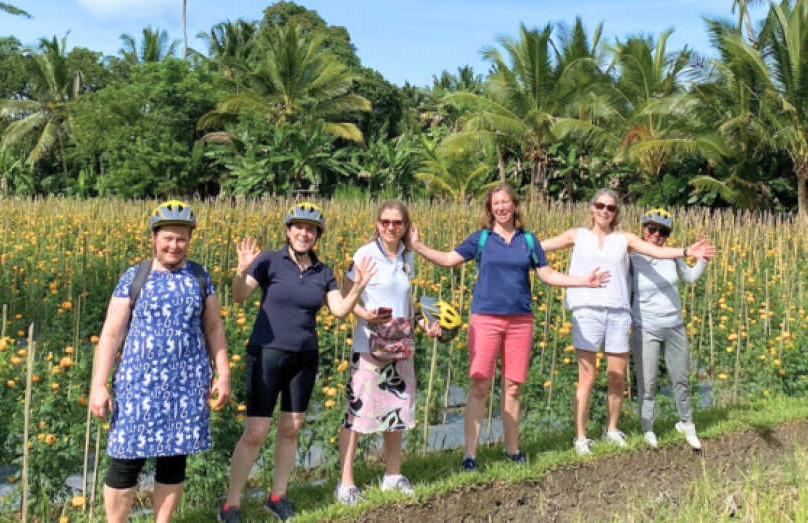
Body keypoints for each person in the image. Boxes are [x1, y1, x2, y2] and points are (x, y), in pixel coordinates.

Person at [410, 184, 610, 472]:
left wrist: (584, 281)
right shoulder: (481, 239)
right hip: (485, 320)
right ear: (490, 208)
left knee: (513, 387)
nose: (501, 207)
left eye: (505, 202)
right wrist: (417, 247)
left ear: (515, 206)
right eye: (495, 203)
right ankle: (470, 456)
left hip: (520, 322)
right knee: (480, 385)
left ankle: (512, 451)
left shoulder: (529, 240)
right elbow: (449, 259)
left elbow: (548, 275)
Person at [219, 203, 376, 523]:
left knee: (291, 429)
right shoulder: (268, 261)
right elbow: (238, 296)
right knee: (256, 431)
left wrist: (357, 288)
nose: (304, 233)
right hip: (266, 353)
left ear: (317, 236)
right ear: (288, 231)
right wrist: (241, 269)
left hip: (304, 356)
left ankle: (277, 497)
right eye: (298, 227)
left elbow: (339, 310)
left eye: (311, 229)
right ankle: (230, 504)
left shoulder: (323, 272)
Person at [541, 190, 715, 455]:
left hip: (621, 314)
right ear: (592, 208)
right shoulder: (580, 236)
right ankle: (581, 437)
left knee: (618, 377)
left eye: (610, 207)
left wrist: (689, 252)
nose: (604, 211)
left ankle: (612, 429)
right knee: (587, 377)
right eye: (600, 205)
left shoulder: (625, 240)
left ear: (616, 212)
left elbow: (659, 255)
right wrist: (510, 244)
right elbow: (540, 245)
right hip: (590, 311)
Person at [89, 200, 231, 523]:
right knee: (125, 460)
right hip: (138, 387)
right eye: (168, 238)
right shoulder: (134, 276)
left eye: (181, 239)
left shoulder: (200, 277)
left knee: (173, 459)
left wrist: (223, 374)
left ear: (189, 241)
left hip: (186, 385)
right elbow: (111, 333)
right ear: (154, 238)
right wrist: (99, 384)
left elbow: (214, 328)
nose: (174, 245)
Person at [335, 200, 441, 505]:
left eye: (397, 223)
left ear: (405, 225)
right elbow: (344, 297)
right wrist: (365, 315)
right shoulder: (364, 254)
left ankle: (393, 476)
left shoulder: (407, 257)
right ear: (377, 224)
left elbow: (407, 303)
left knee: (397, 411)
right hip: (369, 346)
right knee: (356, 414)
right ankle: (346, 484)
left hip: (400, 345)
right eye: (385, 222)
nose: (391, 227)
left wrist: (424, 323)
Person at [630, 209, 707, 449]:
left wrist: (703, 260)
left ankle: (687, 424)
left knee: (681, 377)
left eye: (662, 232)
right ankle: (648, 427)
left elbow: (690, 278)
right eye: (651, 229)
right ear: (643, 230)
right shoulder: (632, 257)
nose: (656, 235)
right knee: (648, 381)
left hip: (674, 325)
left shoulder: (674, 256)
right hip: (646, 326)